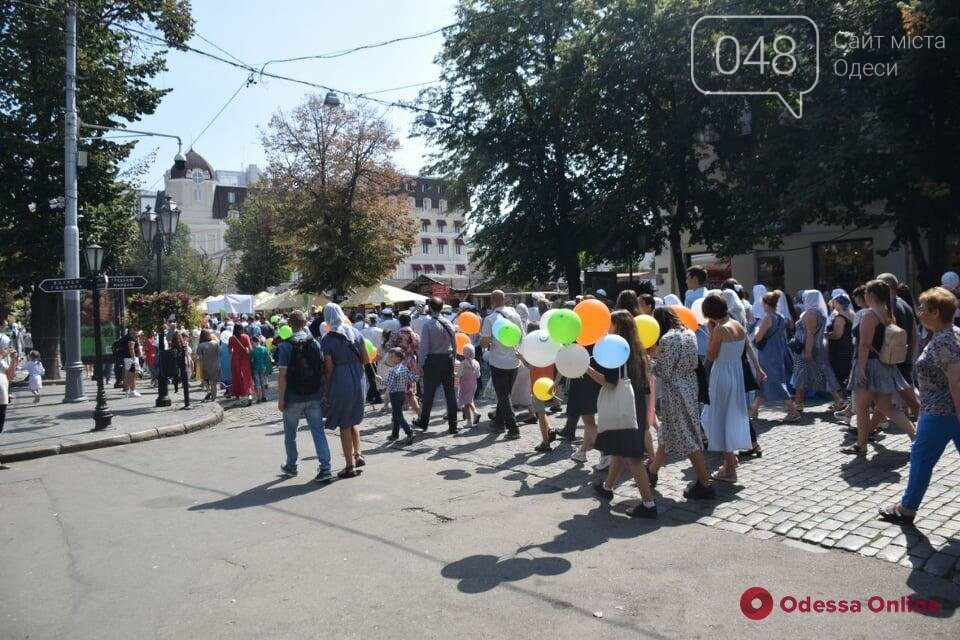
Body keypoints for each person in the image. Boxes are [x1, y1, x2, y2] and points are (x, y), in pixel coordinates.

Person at [878, 287, 960, 524]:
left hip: (941, 412)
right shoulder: (950, 333)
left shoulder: (946, 339)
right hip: (943, 410)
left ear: (935, 312)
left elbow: (956, 381)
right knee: (922, 457)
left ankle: (907, 508)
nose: (919, 311)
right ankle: (908, 506)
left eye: (923, 308)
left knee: (921, 457)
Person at [590, 310, 658, 518]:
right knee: (621, 449)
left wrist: (586, 368)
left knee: (633, 457)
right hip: (633, 405)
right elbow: (646, 386)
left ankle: (648, 504)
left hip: (625, 407)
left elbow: (609, 383)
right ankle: (607, 488)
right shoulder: (638, 351)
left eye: (610, 324)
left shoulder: (617, 352)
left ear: (617, 327)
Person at [646, 307, 715, 499]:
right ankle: (652, 471)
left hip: (674, 392)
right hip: (690, 387)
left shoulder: (667, 339)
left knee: (689, 438)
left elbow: (664, 372)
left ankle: (705, 483)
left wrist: (650, 361)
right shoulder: (689, 333)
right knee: (667, 433)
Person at [842, 280, 917, 456]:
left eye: (867, 293)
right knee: (887, 407)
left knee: (861, 408)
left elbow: (864, 345)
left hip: (869, 365)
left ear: (871, 295)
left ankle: (861, 445)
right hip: (884, 366)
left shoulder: (869, 315)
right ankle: (915, 436)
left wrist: (860, 369)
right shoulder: (887, 314)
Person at [701, 293, 752, 483]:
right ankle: (729, 462)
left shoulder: (720, 329)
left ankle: (730, 468)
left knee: (717, 418)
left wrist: (710, 333)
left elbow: (711, 355)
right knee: (729, 417)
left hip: (722, 374)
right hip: (735, 373)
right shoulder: (738, 324)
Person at [276, 310, 332, 483]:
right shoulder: (314, 343)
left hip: (293, 396)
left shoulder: (285, 346)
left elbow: (282, 375)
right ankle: (325, 467)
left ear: (290, 325)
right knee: (318, 432)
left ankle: (291, 465)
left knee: (290, 434)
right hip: (313, 394)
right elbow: (321, 368)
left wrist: (281, 398)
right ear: (305, 323)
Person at [320, 303, 368, 478]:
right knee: (354, 419)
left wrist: (327, 388)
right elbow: (365, 358)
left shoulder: (327, 339)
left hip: (341, 378)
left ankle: (349, 466)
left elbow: (329, 367)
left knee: (344, 424)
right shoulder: (355, 332)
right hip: (359, 377)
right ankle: (358, 454)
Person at [791, 290, 846, 413]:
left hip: (808, 348)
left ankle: (798, 403)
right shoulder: (820, 311)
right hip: (817, 346)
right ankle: (838, 400)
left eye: (805, 298)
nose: (804, 300)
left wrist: (808, 351)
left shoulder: (811, 313)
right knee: (822, 372)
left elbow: (810, 334)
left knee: (801, 374)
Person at [480, 290, 523, 439]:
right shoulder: (516, 316)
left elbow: (484, 343)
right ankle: (499, 422)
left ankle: (513, 428)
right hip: (514, 360)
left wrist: (489, 341)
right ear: (504, 300)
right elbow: (521, 337)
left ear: (492, 302)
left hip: (498, 361)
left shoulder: (490, 319)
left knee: (503, 396)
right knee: (505, 394)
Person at [877, 273, 921, 417]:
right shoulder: (904, 303)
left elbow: (889, 334)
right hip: (903, 355)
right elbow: (914, 332)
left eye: (879, 285)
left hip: (895, 357)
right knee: (896, 395)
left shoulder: (892, 306)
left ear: (888, 287)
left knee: (891, 396)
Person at [751, 291, 800, 422]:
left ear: (766, 304)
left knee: (774, 382)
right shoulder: (781, 317)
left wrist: (756, 328)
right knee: (764, 381)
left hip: (767, 354)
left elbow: (758, 337)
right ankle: (754, 410)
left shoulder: (768, 318)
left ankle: (793, 411)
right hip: (778, 352)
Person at [413, 296, 459, 434]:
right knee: (450, 393)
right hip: (448, 358)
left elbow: (424, 347)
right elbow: (455, 344)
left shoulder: (428, 325)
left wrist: (420, 364)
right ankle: (453, 424)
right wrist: (453, 358)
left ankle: (424, 421)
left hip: (433, 360)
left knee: (429, 393)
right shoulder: (449, 323)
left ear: (430, 308)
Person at [385, 313, 421, 416]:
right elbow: (419, 350)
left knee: (398, 390)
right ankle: (419, 414)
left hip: (400, 363)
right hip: (412, 362)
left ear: (400, 322)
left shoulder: (396, 334)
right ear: (410, 322)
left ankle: (397, 415)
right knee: (410, 391)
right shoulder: (415, 335)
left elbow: (389, 347)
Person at [381, 347, 418, 445]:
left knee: (398, 415)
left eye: (391, 356)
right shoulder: (405, 368)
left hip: (395, 395)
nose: (390, 358)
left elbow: (389, 384)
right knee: (396, 414)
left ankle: (410, 432)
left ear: (398, 358)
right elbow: (412, 378)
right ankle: (395, 434)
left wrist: (379, 380)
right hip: (402, 394)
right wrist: (419, 375)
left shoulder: (393, 370)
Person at [827, 291, 856, 391]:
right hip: (849, 346)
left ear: (838, 303)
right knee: (846, 371)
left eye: (834, 302)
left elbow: (837, 335)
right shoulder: (851, 313)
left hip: (839, 348)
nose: (832, 304)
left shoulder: (839, 317)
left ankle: (840, 399)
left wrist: (825, 335)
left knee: (838, 374)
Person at [228, 323, 254, 406]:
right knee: (247, 377)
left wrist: (235, 351)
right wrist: (249, 355)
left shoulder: (231, 338)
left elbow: (229, 351)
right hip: (244, 359)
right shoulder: (246, 337)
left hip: (235, 359)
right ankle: (249, 395)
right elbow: (250, 348)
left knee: (236, 377)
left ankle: (238, 396)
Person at [457, 343, 480, 428]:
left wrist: (456, 375)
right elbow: (478, 375)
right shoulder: (476, 363)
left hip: (464, 385)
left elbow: (460, 374)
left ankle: (469, 421)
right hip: (473, 384)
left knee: (466, 404)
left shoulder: (463, 363)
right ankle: (475, 413)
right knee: (469, 400)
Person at [196, 329, 221, 402]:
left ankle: (208, 390)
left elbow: (200, 358)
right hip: (215, 365)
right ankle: (213, 399)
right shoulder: (215, 343)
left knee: (205, 380)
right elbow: (219, 354)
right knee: (214, 384)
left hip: (205, 366)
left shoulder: (200, 345)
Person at [0, 346, 18, 438]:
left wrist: (13, 360)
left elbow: (10, 376)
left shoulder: (2, 361)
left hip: (2, 398)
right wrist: (2, 354)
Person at [251, 336, 271, 403]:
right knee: (262, 383)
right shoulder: (264, 348)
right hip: (263, 367)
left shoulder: (253, 350)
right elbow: (268, 357)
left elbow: (252, 360)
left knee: (257, 384)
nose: (252, 343)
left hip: (255, 368)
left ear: (255, 342)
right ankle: (264, 397)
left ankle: (259, 398)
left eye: (252, 342)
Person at [123, 327, 142, 398]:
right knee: (132, 375)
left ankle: (128, 390)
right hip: (131, 358)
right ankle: (132, 391)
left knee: (128, 374)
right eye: (136, 330)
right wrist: (134, 358)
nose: (137, 332)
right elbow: (131, 348)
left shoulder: (128, 337)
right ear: (132, 330)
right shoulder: (131, 338)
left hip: (128, 358)